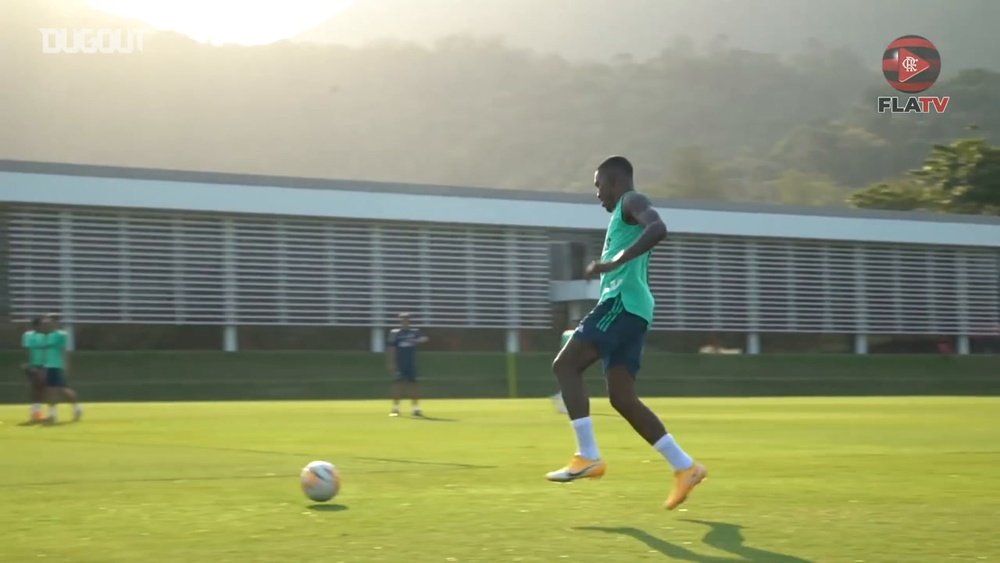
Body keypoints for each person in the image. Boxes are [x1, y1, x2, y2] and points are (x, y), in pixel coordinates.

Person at [546, 156, 707, 511]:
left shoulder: (630, 201)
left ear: (615, 181)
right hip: (634, 310)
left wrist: (615, 261)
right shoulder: (623, 210)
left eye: (598, 185)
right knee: (621, 397)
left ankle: (588, 455)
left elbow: (659, 228)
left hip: (622, 304)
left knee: (565, 366)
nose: (597, 194)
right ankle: (685, 466)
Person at [41, 314, 83, 423]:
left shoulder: (61, 335)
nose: (47, 323)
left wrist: (66, 366)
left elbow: (64, 352)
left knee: (59, 390)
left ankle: (74, 409)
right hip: (49, 366)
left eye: (49, 321)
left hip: (57, 365)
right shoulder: (47, 336)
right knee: (52, 390)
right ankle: (55, 413)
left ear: (55, 322)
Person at [387, 313, 428, 417]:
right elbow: (391, 348)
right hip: (400, 363)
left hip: (411, 362)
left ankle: (416, 409)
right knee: (398, 385)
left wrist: (417, 340)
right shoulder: (394, 332)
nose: (405, 321)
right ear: (399, 320)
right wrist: (391, 363)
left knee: (413, 385)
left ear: (410, 320)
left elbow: (424, 339)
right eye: (402, 319)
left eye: (407, 319)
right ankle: (395, 409)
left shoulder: (415, 332)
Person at [20, 317, 48, 422]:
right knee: (37, 386)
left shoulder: (45, 336)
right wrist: (28, 365)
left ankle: (35, 411)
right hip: (33, 365)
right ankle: (36, 411)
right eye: (41, 324)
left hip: (43, 365)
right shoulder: (28, 335)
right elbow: (26, 350)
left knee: (40, 387)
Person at [550, 320, 578, 414]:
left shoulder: (567, 333)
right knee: (571, 384)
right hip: (571, 360)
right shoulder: (573, 334)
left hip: (567, 359)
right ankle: (561, 398)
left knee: (570, 383)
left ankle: (561, 398)